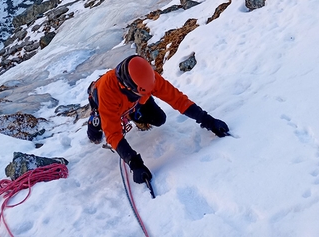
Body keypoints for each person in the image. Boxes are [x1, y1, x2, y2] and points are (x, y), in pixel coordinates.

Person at [87, 54, 229, 184]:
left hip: (134, 102)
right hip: (103, 101)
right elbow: (113, 134)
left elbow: (177, 99)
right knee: (96, 134)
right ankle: (95, 119)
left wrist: (208, 120)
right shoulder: (108, 91)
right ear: (129, 88)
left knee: (159, 119)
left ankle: (130, 114)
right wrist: (135, 164)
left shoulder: (147, 78)